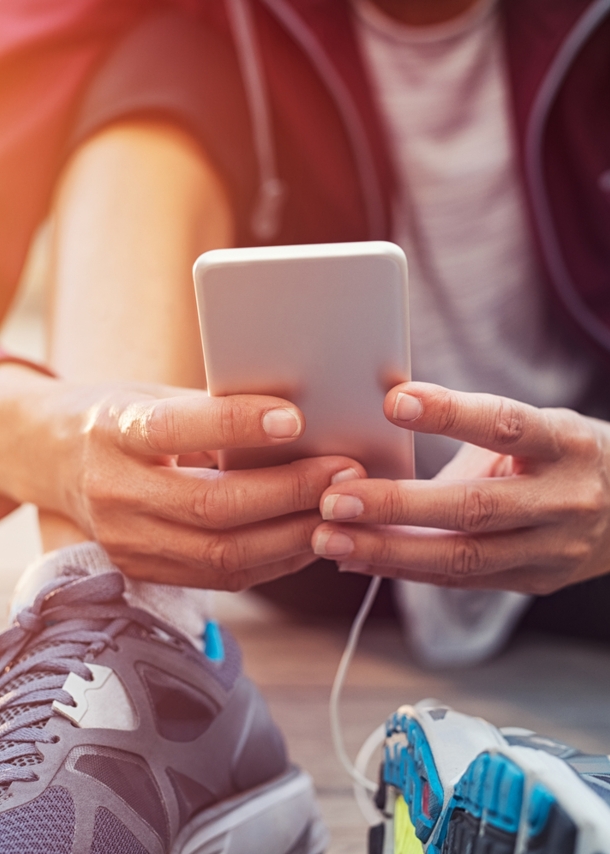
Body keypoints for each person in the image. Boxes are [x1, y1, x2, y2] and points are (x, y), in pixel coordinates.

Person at [0, 0, 608, 850]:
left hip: (590, 547)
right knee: (156, 54)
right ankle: (122, 641)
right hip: (291, 541)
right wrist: (36, 432)